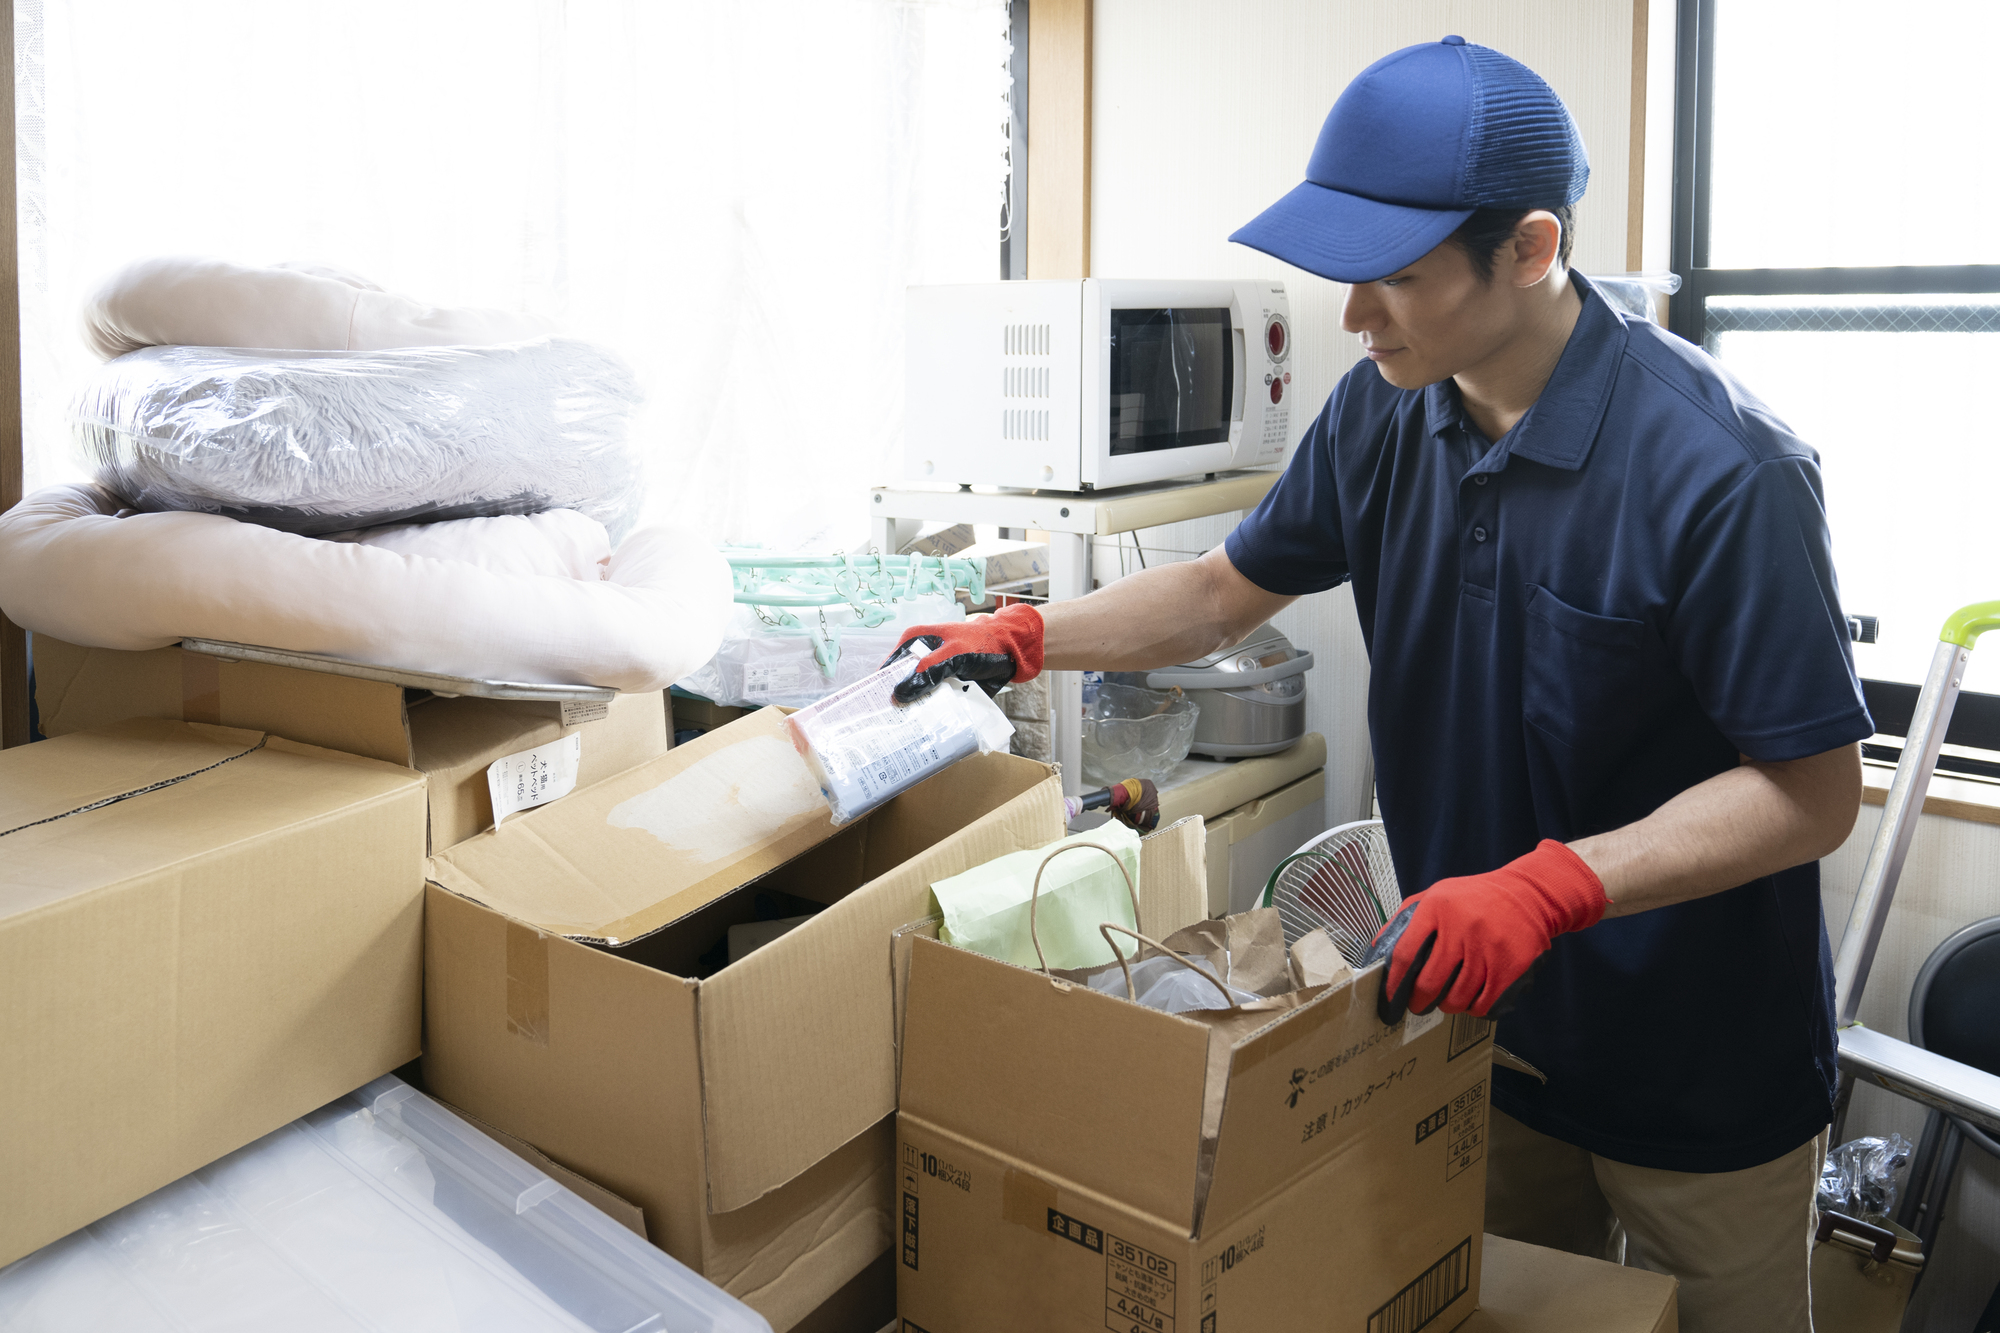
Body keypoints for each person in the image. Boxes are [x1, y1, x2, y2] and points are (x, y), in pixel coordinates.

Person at [890, 36, 1871, 1333]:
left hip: (1701, 1065)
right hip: (1484, 1029)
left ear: (1529, 250)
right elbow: (1212, 595)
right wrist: (1027, 634)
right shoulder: (1381, 411)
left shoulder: (1723, 472)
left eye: (1398, 281)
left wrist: (1552, 883)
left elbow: (1810, 793)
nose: (1355, 319)